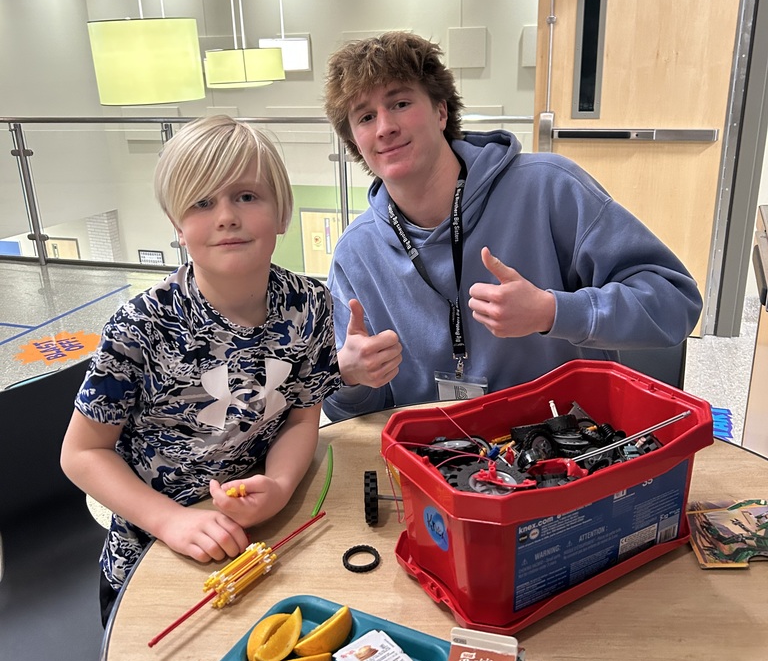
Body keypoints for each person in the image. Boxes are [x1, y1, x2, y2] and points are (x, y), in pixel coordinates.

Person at [322, 31, 702, 421]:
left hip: (566, 453)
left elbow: (675, 302)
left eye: (400, 103)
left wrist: (553, 312)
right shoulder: (356, 254)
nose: (384, 127)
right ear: (354, 140)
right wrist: (348, 378)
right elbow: (349, 417)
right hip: (441, 462)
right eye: (365, 117)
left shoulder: (548, 187)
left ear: (440, 111)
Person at [60, 116, 340, 624]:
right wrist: (171, 521)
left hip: (257, 540)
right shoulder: (141, 325)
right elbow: (81, 453)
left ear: (282, 213)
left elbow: (302, 419)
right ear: (177, 226)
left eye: (248, 196)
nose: (227, 217)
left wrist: (277, 487)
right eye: (202, 202)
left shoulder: (311, 304)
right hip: (152, 556)